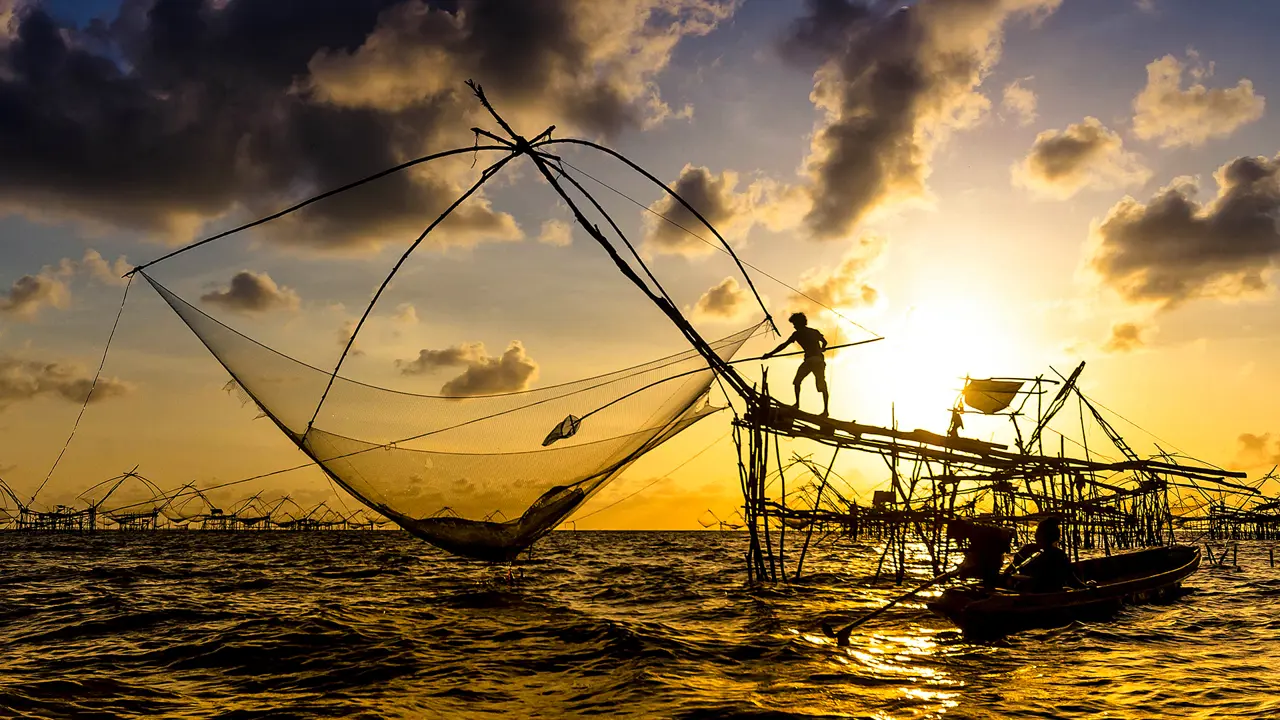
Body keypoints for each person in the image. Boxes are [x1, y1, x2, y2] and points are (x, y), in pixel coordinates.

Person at [763, 312, 829, 415]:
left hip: (813, 360)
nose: (794, 326)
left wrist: (770, 354)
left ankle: (798, 404)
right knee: (819, 384)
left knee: (799, 382)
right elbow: (825, 342)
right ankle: (825, 410)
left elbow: (784, 345)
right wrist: (821, 349)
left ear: (799, 323)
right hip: (816, 360)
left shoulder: (798, 334)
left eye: (794, 324)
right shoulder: (814, 331)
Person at [1003, 516, 1091, 592]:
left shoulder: (1055, 555)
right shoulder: (1034, 552)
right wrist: (1088, 588)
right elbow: (1072, 580)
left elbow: (1009, 571)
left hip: (1038, 593)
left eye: (1038, 532)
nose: (1036, 534)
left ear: (1042, 535)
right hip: (1035, 592)